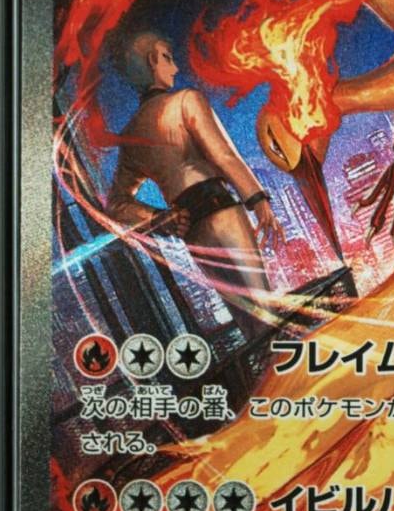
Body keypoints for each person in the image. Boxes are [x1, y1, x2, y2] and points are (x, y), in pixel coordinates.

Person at [106, 31, 283, 335]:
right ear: (151, 62)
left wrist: (158, 218)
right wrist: (257, 200)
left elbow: (116, 204)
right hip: (222, 211)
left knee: (248, 324)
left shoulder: (131, 137)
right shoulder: (187, 100)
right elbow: (223, 156)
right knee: (265, 315)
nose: (175, 68)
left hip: (192, 230)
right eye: (167, 58)